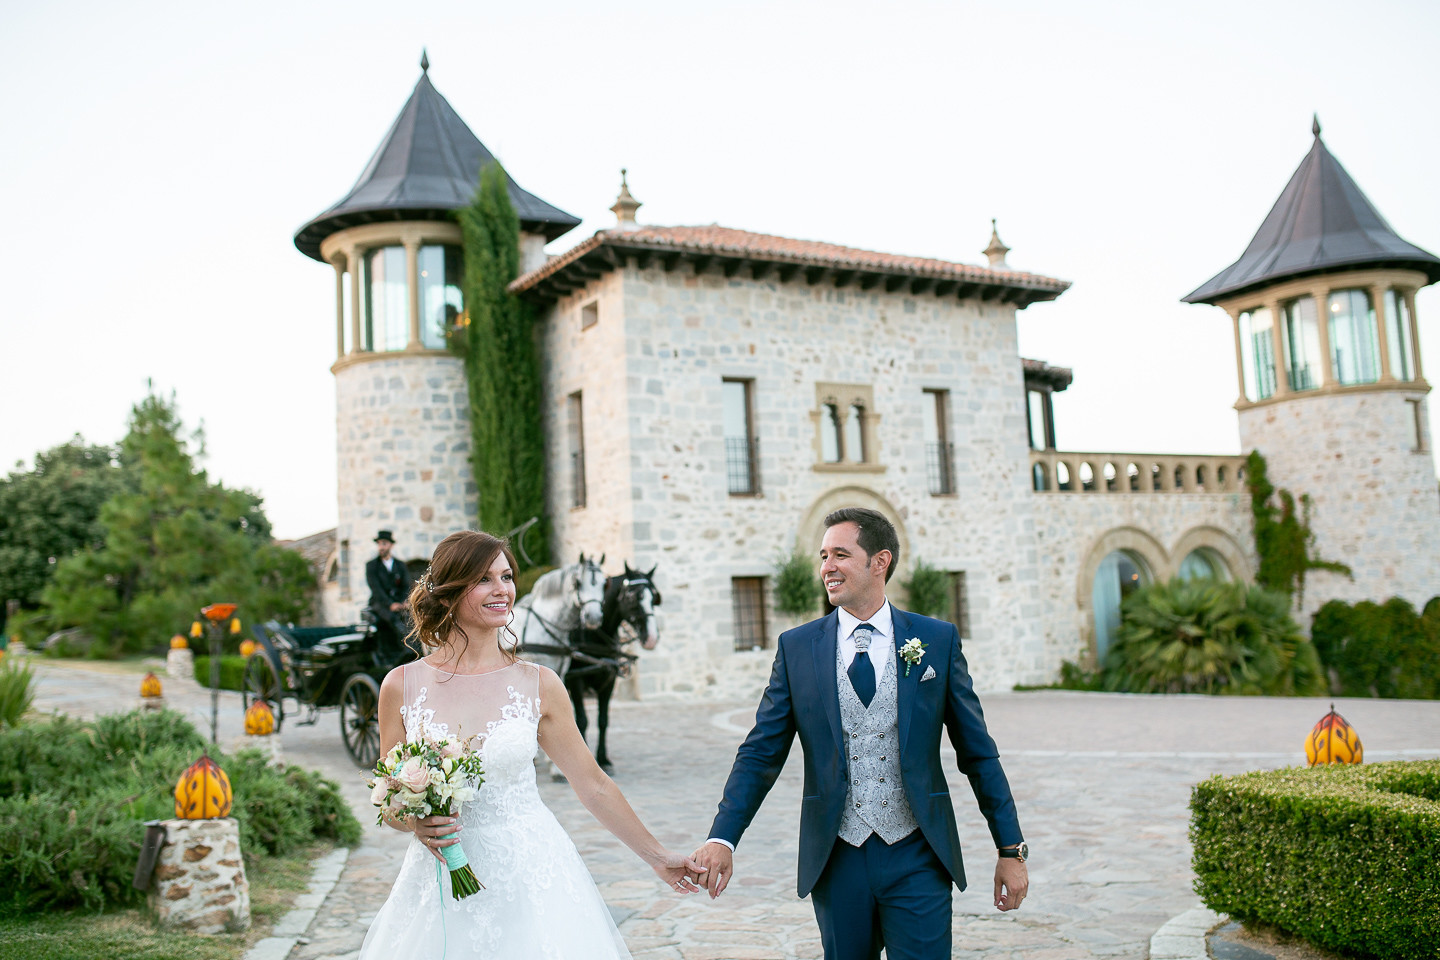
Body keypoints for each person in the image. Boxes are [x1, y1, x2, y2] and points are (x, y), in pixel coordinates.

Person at [692, 507, 1029, 960]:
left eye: (840, 555)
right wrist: (722, 837)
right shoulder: (797, 649)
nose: (826, 567)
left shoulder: (936, 640)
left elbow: (978, 754)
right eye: (823, 555)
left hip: (918, 854)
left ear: (880, 561)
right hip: (836, 858)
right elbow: (760, 753)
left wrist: (1011, 849)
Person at [358, 530, 704, 959]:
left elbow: (592, 784)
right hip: (439, 881)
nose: (502, 589)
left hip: (530, 874)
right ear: (447, 593)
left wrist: (656, 855)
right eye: (484, 579)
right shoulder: (401, 686)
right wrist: (414, 823)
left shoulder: (538, 684)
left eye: (506, 576)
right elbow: (389, 802)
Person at [366, 530, 413, 659]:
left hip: (398, 601)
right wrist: (390, 604)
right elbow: (376, 588)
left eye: (384, 544)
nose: (381, 547)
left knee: (411, 616)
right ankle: (403, 651)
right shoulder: (372, 566)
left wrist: (404, 601)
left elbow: (405, 585)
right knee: (393, 618)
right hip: (380, 603)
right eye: (379, 544)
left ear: (391, 545)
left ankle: (416, 649)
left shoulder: (400, 565)